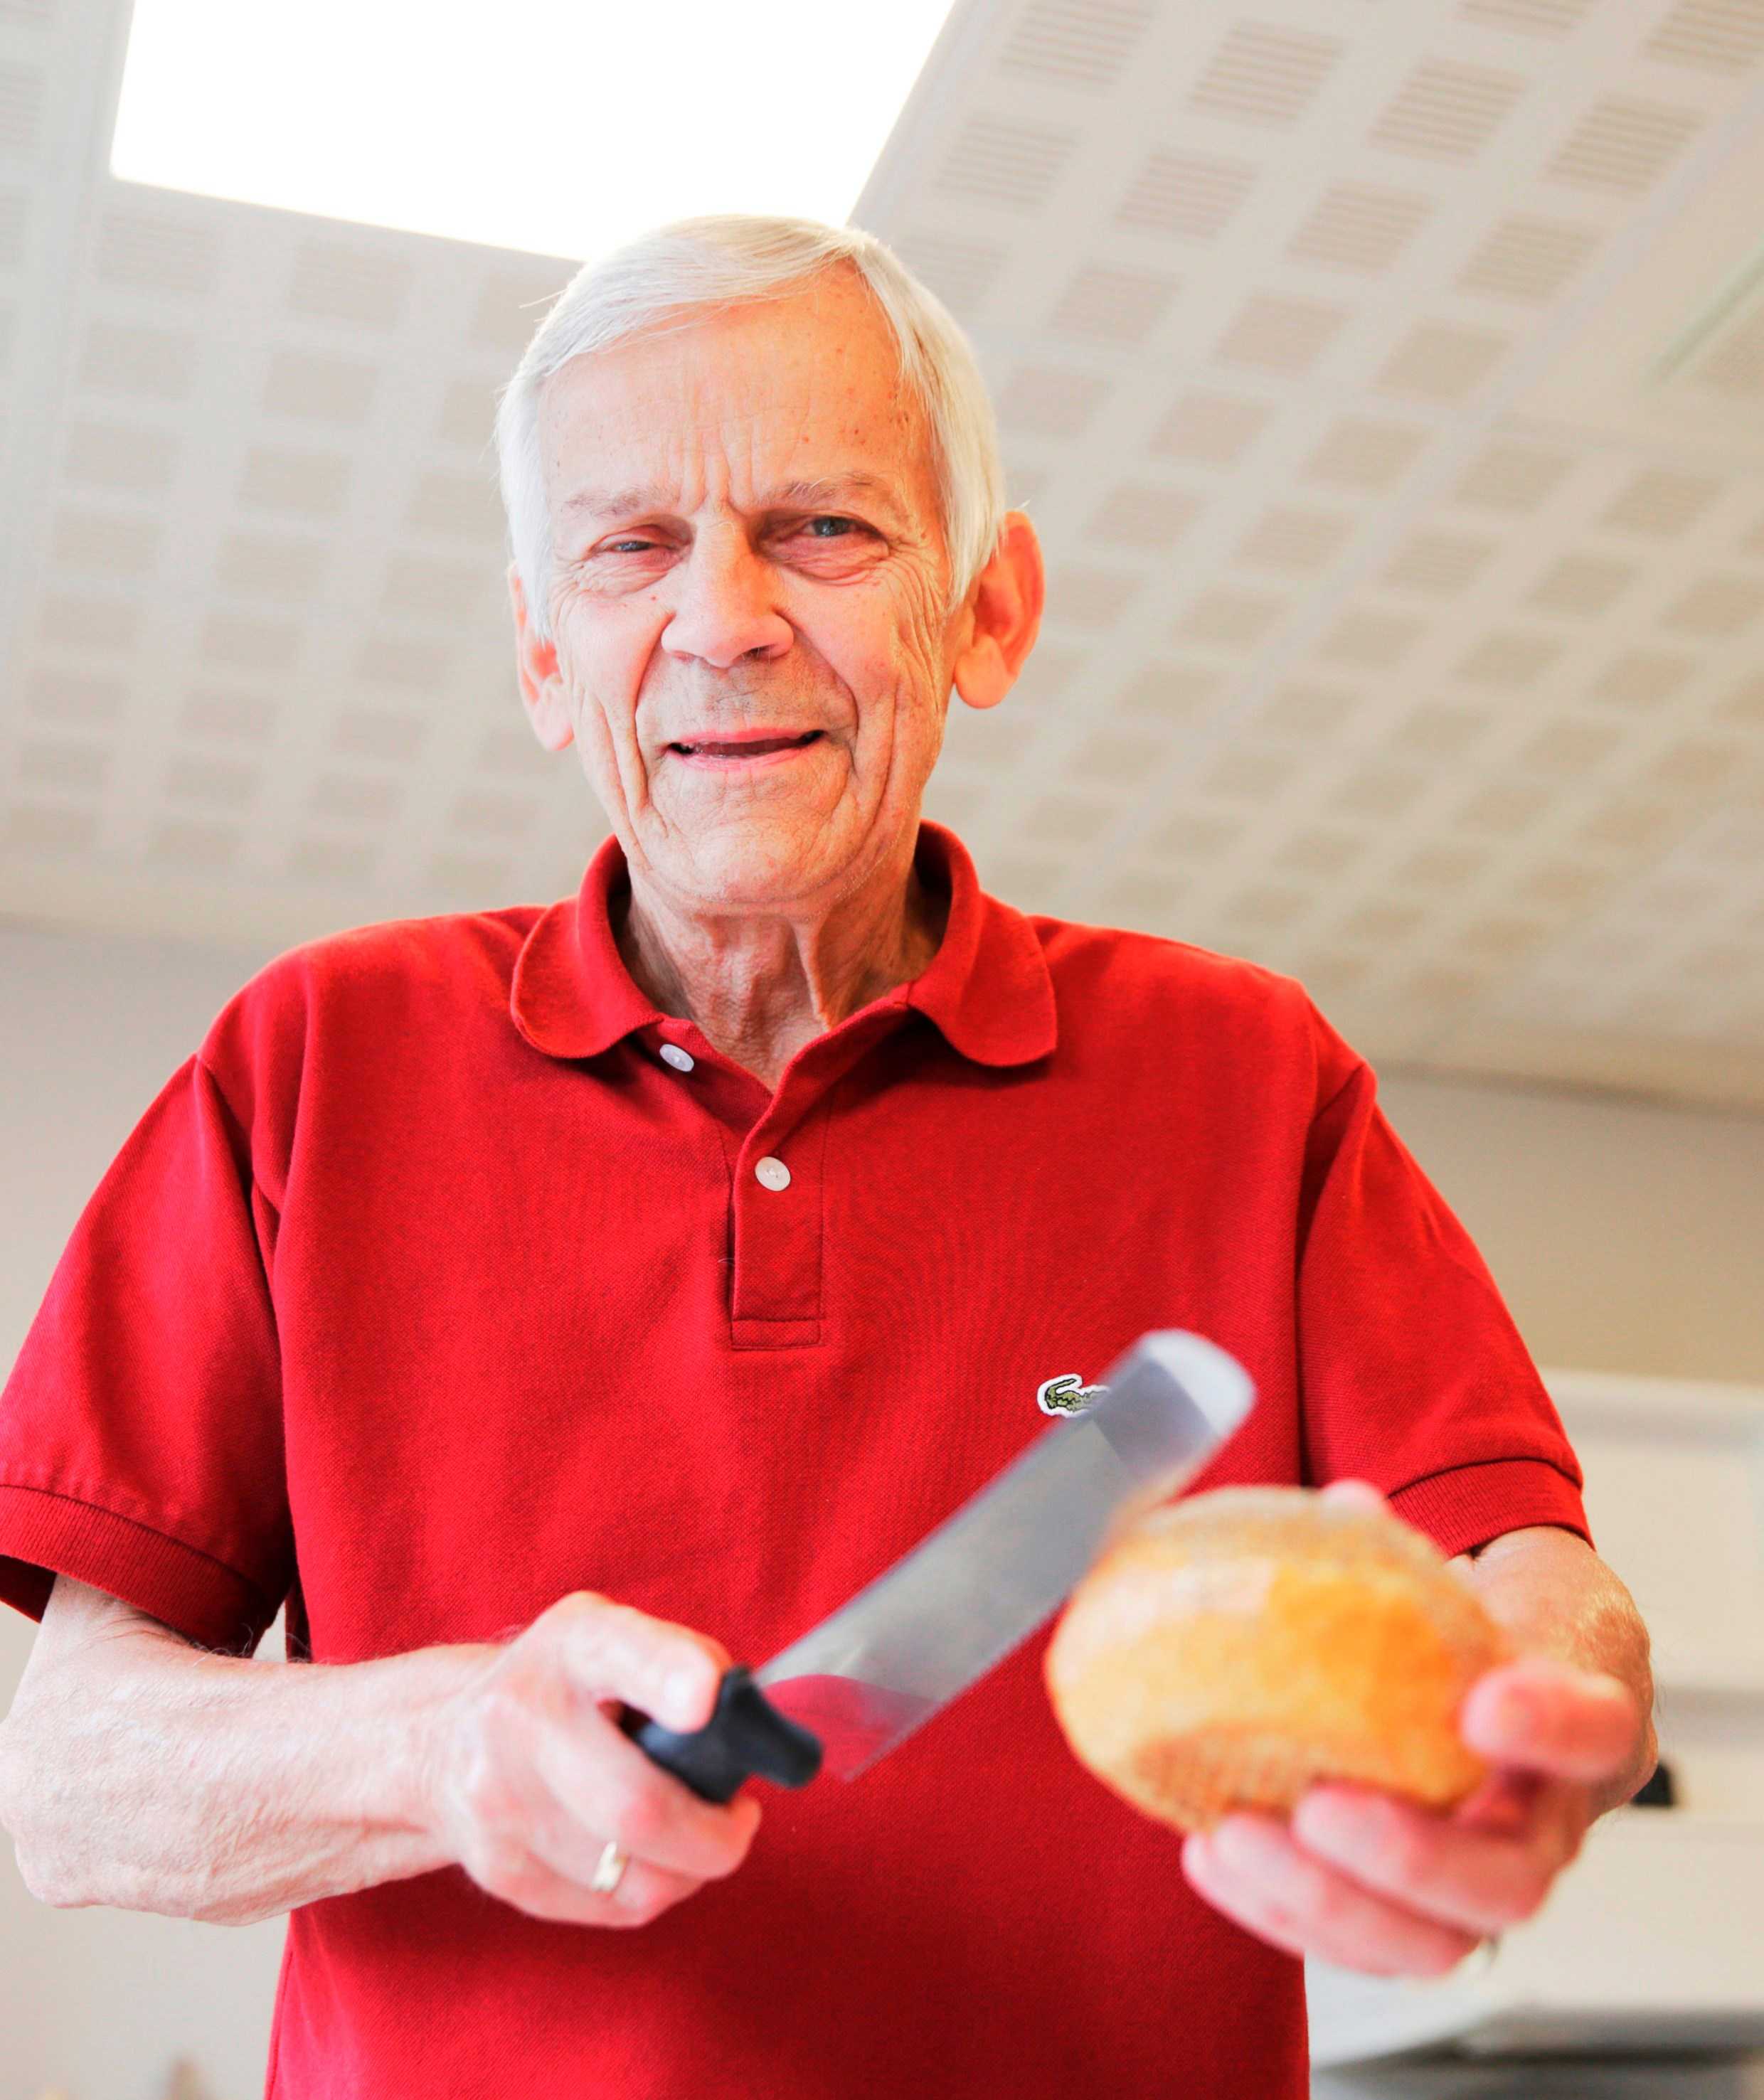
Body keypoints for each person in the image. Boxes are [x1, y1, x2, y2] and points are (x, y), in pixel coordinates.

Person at [0, 215, 1653, 2098]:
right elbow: (68, 1784)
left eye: (823, 528)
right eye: (630, 548)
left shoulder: (1249, 1076)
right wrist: (438, 1739)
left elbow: (1531, 1568)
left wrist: (1541, 1726)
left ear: (989, 608)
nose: (723, 618)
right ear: (549, 657)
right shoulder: (310, 1064)